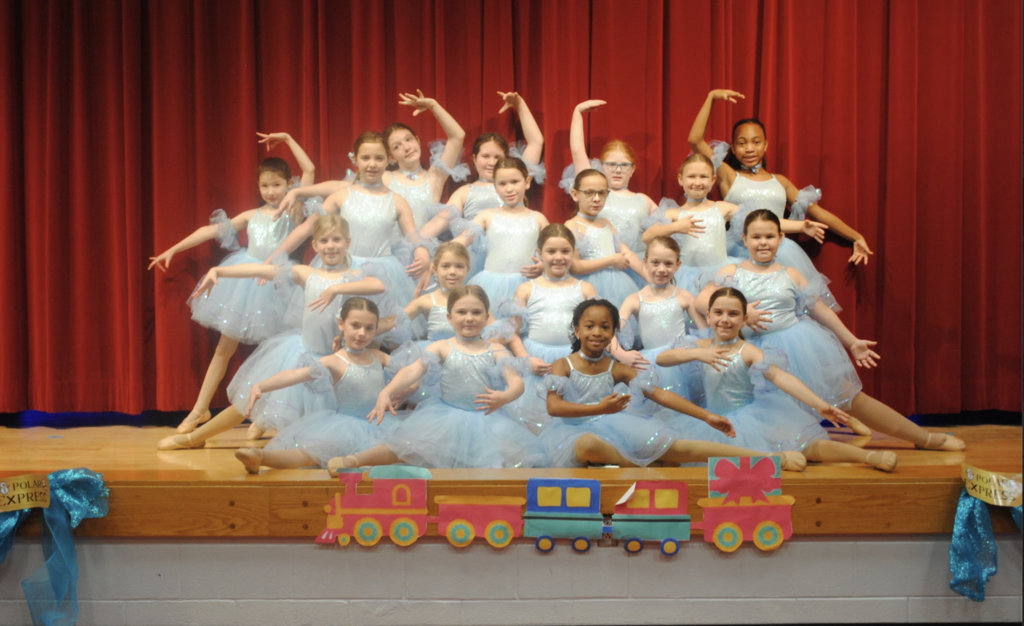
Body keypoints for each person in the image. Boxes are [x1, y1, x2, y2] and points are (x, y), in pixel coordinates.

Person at [695, 210, 965, 452]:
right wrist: (745, 313)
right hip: (748, 352)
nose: (762, 242)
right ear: (744, 239)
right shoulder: (731, 271)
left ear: (780, 238)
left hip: (795, 348)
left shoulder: (791, 274)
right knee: (768, 412)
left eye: (769, 236)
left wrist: (852, 341)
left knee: (851, 398)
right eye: (756, 237)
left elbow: (819, 310)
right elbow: (700, 301)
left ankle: (924, 438)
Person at [156, 216, 387, 449]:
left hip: (338, 364)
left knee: (323, 422)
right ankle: (193, 438)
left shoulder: (358, 276)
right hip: (304, 354)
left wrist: (336, 288)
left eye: (336, 240)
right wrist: (220, 271)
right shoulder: (306, 273)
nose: (330, 245)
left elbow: (378, 285)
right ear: (315, 245)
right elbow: (261, 269)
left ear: (348, 242)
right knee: (244, 404)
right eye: (324, 240)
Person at [148, 132, 315, 434]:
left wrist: (289, 140)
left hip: (279, 283)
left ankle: (266, 418)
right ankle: (200, 410)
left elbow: (311, 172)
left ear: (289, 184)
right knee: (224, 350)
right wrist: (173, 248)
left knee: (281, 353)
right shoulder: (252, 215)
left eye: (277, 184)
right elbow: (208, 231)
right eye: (265, 185)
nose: (271, 191)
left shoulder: (292, 210)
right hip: (245, 282)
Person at [540, 299, 807, 470]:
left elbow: (661, 396)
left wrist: (707, 416)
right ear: (577, 331)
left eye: (605, 327)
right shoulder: (563, 364)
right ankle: (643, 464)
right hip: (573, 434)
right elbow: (554, 407)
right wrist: (600, 409)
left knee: (680, 447)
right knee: (588, 445)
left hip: (617, 429)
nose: (597, 332)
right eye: (589, 326)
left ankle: (764, 459)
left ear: (613, 334)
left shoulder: (617, 368)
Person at [658, 287, 898, 471]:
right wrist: (698, 353)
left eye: (733, 314)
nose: (725, 319)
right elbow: (662, 359)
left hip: (752, 417)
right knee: (678, 453)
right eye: (718, 313)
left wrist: (820, 404)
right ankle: (776, 462)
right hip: (712, 419)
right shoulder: (698, 345)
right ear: (708, 316)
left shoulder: (748, 351)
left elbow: (782, 378)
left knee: (810, 446)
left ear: (744, 320)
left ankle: (868, 457)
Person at [326, 286, 547, 472]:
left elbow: (516, 383)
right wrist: (386, 391)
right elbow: (412, 371)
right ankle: (355, 460)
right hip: (446, 417)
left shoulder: (496, 349)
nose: (469, 318)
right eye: (462, 312)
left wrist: (506, 396)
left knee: (516, 459)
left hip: (487, 419)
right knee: (406, 446)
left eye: (476, 312)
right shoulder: (442, 347)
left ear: (486, 316)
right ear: (449, 317)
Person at [687, 89, 873, 271]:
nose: (749, 148)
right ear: (733, 149)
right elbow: (695, 140)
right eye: (742, 143)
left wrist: (856, 237)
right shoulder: (728, 175)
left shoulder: (780, 182)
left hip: (778, 252)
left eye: (756, 142)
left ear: (766, 145)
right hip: (737, 254)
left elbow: (818, 213)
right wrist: (711, 98)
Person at [233, 298, 403, 473]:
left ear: (376, 329)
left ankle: (350, 462)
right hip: (344, 427)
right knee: (309, 453)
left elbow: (408, 372)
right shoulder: (334, 361)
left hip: (380, 424)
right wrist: (262, 386)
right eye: (355, 325)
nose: (361, 333)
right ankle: (260, 457)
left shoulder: (378, 356)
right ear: (341, 324)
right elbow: (295, 374)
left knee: (400, 449)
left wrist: (409, 388)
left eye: (369, 328)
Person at [273, 90, 468, 229]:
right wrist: (298, 191)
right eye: (397, 146)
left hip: (421, 252)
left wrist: (433, 106)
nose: (407, 147)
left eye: (408, 139)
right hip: (388, 256)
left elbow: (457, 137)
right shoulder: (386, 179)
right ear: (390, 156)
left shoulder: (434, 176)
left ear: (417, 140)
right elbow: (337, 187)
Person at [641, 153, 825, 293]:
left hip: (721, 273)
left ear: (713, 180)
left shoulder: (722, 208)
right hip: (686, 277)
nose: (697, 182)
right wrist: (675, 227)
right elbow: (646, 236)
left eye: (704, 177)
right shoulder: (673, 213)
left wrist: (801, 226)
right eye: (691, 177)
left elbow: (763, 220)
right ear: (681, 179)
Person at [564, 100, 658, 281]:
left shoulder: (643, 199)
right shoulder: (593, 187)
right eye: (612, 164)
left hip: (633, 265)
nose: (617, 170)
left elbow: (661, 229)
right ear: (600, 166)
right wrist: (577, 112)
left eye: (624, 165)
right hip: (596, 268)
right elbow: (577, 151)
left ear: (633, 169)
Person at [437, 157, 550, 306]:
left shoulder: (538, 219)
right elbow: (461, 241)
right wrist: (436, 257)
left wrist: (544, 266)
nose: (509, 189)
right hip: (490, 287)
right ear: (495, 187)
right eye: (502, 184)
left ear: (527, 182)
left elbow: (553, 251)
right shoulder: (487, 216)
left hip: (528, 287)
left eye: (515, 182)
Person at [618, 236, 702, 401]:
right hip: (651, 365)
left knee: (688, 404)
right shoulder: (634, 300)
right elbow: (612, 333)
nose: (662, 269)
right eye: (655, 263)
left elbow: (705, 330)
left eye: (668, 264)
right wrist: (621, 354)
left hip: (683, 361)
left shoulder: (684, 296)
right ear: (645, 262)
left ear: (678, 265)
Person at [564, 169, 646, 308]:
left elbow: (626, 253)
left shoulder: (606, 223)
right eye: (589, 193)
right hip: (589, 287)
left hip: (619, 286)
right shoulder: (572, 225)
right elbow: (575, 267)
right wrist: (611, 260)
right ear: (575, 194)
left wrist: (649, 277)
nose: (597, 199)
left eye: (602, 193)